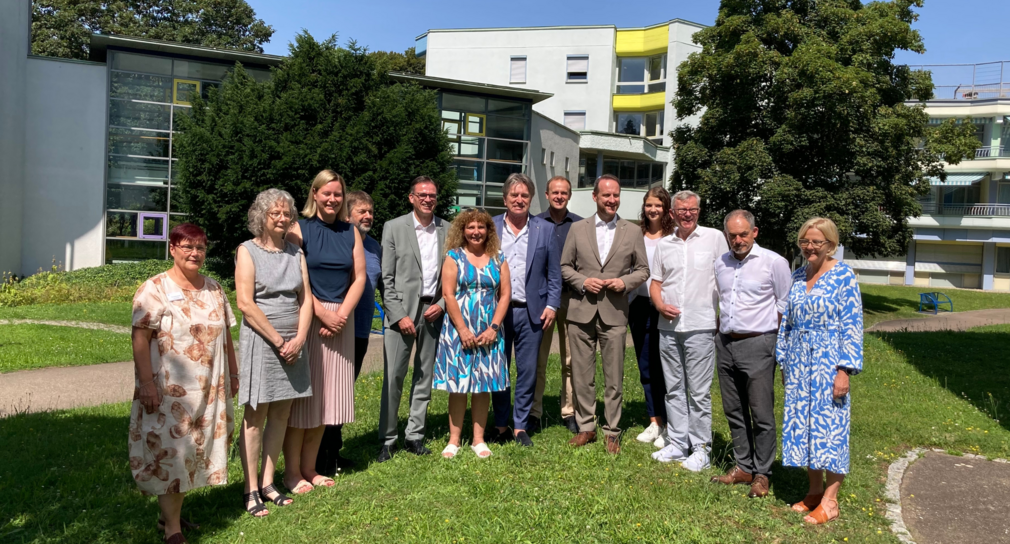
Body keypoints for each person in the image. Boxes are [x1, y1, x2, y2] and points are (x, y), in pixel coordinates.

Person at [129, 223, 237, 544]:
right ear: (172, 249)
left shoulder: (215, 288)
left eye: (200, 247)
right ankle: (172, 530)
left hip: (209, 388)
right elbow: (139, 336)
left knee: (192, 449)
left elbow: (227, 335)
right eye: (186, 247)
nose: (194, 253)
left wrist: (233, 373)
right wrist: (146, 383)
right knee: (171, 451)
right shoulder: (154, 289)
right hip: (168, 391)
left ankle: (169, 518)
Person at [776, 217, 863, 525]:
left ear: (831, 244)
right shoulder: (798, 275)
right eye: (805, 241)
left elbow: (852, 325)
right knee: (805, 428)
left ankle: (831, 500)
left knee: (831, 429)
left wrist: (844, 370)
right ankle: (813, 492)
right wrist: (784, 360)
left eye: (817, 242)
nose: (810, 247)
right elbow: (787, 322)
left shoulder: (843, 275)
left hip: (829, 362)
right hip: (799, 362)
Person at [284, 170, 366, 494]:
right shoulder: (298, 229)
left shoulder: (351, 232)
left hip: (341, 323)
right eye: (326, 193)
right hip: (309, 317)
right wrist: (321, 313)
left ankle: (310, 468)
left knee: (327, 400)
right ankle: (291, 473)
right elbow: (292, 277)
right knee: (304, 401)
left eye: (338, 194)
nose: (332, 199)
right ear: (314, 194)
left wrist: (341, 314)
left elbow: (359, 277)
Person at [236, 189, 314, 517]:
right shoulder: (247, 251)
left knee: (281, 413)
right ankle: (250, 488)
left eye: (286, 213)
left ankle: (269, 483)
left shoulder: (296, 252)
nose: (281, 219)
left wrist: (298, 339)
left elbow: (306, 298)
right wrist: (279, 342)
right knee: (256, 416)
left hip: (294, 342)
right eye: (275, 214)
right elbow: (245, 303)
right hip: (262, 339)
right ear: (262, 217)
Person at [560, 174, 649, 454]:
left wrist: (625, 283)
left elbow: (643, 270)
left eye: (616, 195)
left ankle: (612, 430)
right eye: (607, 195)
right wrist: (583, 281)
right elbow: (565, 267)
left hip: (614, 311)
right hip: (581, 311)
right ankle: (586, 427)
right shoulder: (577, 229)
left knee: (614, 375)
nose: (612, 200)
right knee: (581, 375)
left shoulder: (632, 231)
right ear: (595, 196)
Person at [710, 210, 791, 499]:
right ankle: (743, 466)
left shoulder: (774, 262)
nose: (738, 239)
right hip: (727, 344)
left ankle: (762, 473)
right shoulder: (721, 263)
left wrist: (775, 344)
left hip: (759, 344)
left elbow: (784, 304)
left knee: (761, 413)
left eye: (743, 234)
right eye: (732, 235)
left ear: (754, 232)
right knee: (733, 410)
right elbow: (720, 299)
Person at [648, 190, 729, 471]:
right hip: (668, 327)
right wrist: (659, 305)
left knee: (698, 391)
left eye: (692, 210)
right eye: (682, 210)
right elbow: (655, 283)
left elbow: (727, 278)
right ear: (672, 213)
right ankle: (679, 443)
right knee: (673, 388)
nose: (687, 214)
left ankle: (702, 448)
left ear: (698, 211)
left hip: (701, 325)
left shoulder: (715, 238)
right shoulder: (664, 245)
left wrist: (724, 315)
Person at [377, 176, 449, 462]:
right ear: (411, 198)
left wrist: (443, 304)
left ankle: (415, 434)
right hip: (401, 313)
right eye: (422, 195)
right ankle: (388, 438)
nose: (428, 199)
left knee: (424, 374)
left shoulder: (448, 229)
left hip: (433, 310)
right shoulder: (394, 227)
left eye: (432, 195)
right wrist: (398, 315)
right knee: (394, 375)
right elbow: (387, 277)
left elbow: (453, 275)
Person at [487, 173, 561, 447]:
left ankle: (520, 426)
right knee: (499, 368)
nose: (519, 200)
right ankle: (500, 424)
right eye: (514, 195)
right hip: (498, 311)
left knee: (528, 369)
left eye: (525, 196)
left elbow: (554, 273)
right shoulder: (490, 227)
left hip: (533, 312)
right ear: (505, 199)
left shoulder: (544, 229)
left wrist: (552, 304)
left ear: (531, 199)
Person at [434, 209, 511, 458]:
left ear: (488, 230)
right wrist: (463, 330)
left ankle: (478, 440)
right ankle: (454, 440)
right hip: (458, 330)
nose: (476, 232)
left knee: (482, 385)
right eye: (470, 227)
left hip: (489, 330)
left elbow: (505, 295)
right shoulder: (453, 257)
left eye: (481, 227)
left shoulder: (499, 259)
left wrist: (494, 328)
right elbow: (448, 294)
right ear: (462, 231)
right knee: (458, 385)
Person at [315, 190, 381, 475]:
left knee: (343, 394)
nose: (367, 217)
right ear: (347, 215)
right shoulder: (339, 242)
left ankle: (334, 452)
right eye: (361, 212)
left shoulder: (375, 247)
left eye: (370, 212)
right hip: (335, 328)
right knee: (326, 393)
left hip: (361, 330)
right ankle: (318, 457)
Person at [533, 176, 583, 433]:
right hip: (544, 301)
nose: (559, 196)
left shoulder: (580, 225)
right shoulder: (536, 224)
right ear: (547, 193)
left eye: (564, 192)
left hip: (573, 298)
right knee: (538, 359)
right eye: (555, 192)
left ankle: (569, 411)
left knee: (570, 360)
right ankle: (534, 410)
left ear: (569, 195)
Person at [629, 187, 674, 447]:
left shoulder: (674, 236)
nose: (652, 209)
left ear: (666, 208)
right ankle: (655, 421)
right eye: (648, 205)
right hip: (639, 306)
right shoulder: (637, 234)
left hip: (665, 308)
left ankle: (671, 424)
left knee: (667, 368)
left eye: (658, 205)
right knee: (646, 367)